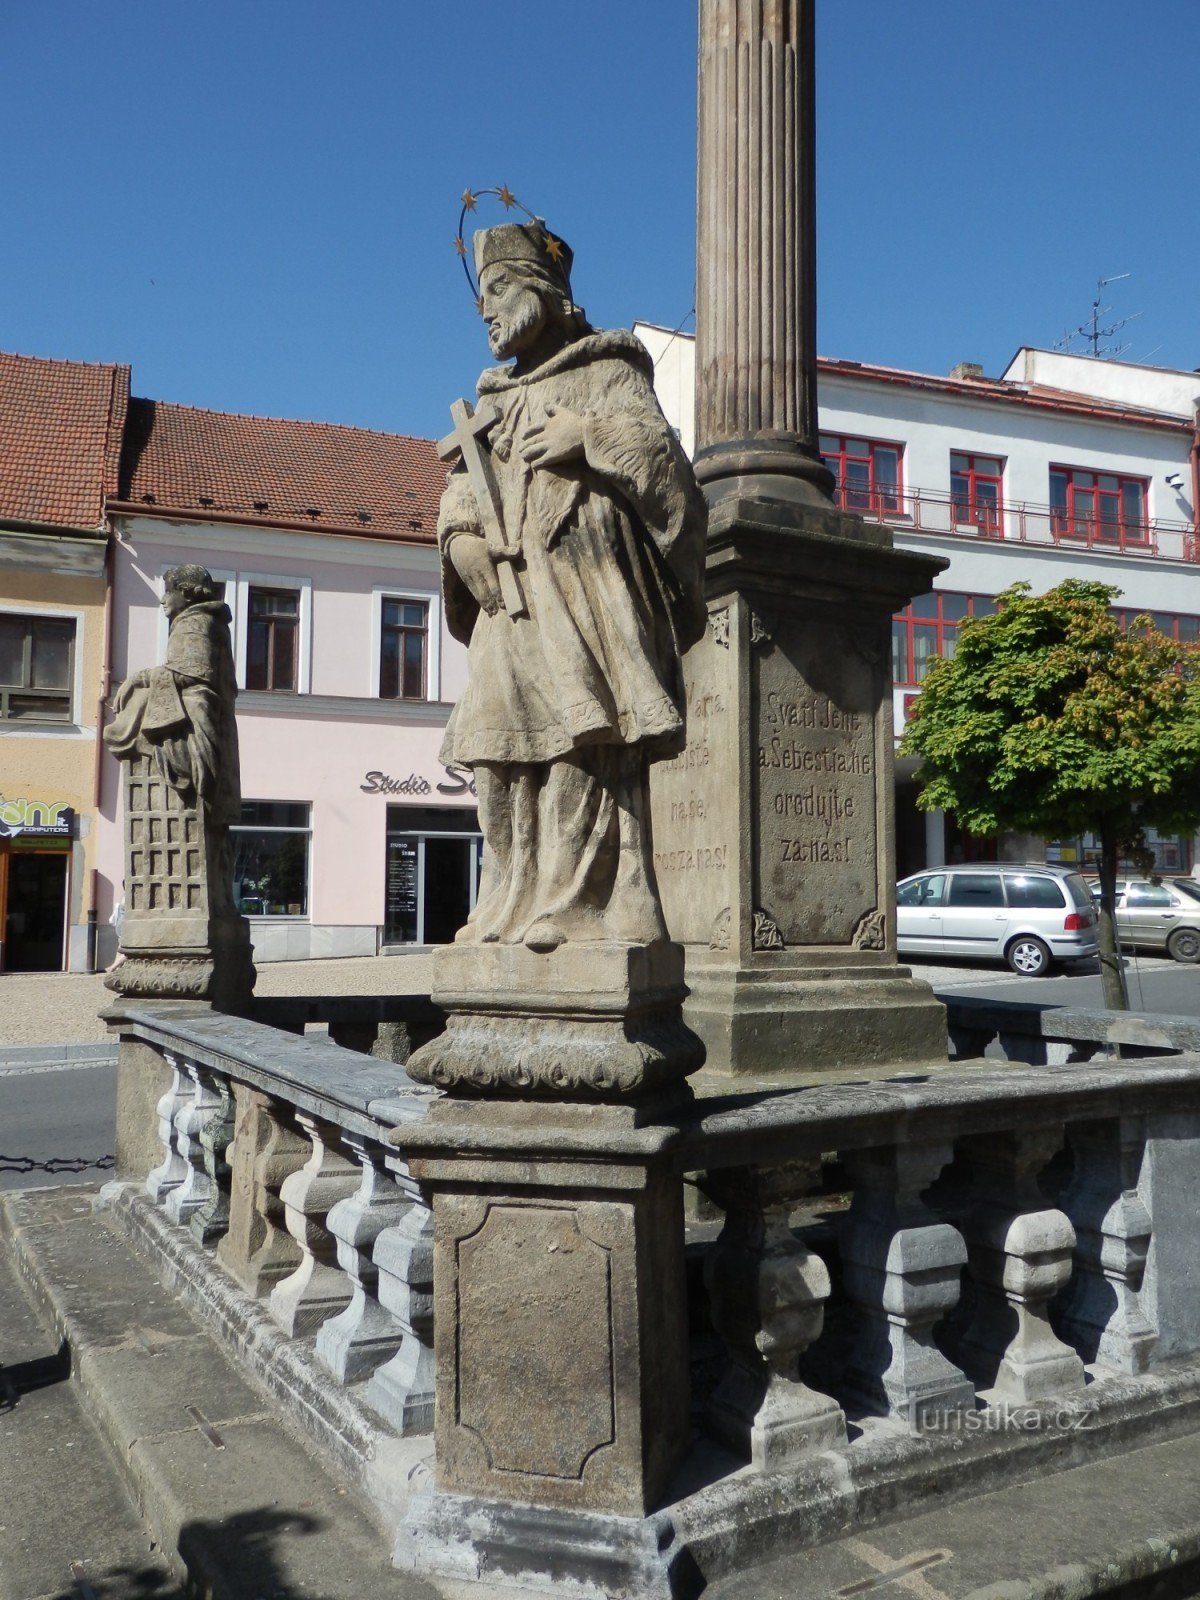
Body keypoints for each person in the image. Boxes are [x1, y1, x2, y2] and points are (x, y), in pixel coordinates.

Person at [438, 220, 707, 951]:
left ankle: (575, 902)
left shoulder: (608, 370)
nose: (488, 311)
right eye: (482, 300)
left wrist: (584, 437)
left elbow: (665, 467)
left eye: (498, 291)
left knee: (577, 745)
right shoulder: (489, 400)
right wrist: (460, 538)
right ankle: (506, 898)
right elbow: (466, 482)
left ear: (542, 289)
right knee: (495, 752)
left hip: (585, 589)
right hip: (508, 601)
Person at [103, 564, 241, 914]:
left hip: (195, 717)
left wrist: (140, 678)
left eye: (169, 591)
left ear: (188, 592)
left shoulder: (195, 621)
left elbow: (195, 672)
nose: (164, 599)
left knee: (137, 720)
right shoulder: (205, 621)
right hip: (206, 716)